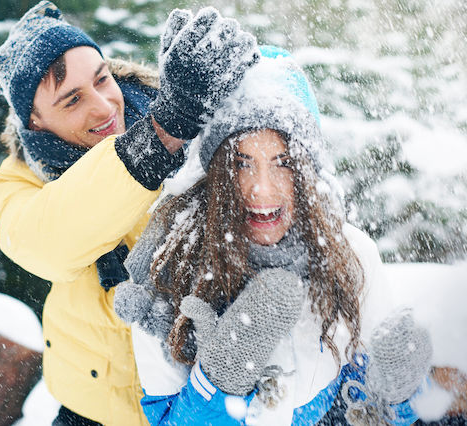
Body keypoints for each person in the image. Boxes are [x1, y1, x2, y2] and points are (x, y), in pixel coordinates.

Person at [114, 45, 433, 425]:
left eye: (283, 163)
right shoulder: (168, 273)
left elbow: (360, 402)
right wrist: (218, 384)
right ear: (211, 173)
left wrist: (397, 398)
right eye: (241, 163)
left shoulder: (350, 253)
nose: (262, 190)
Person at [0, 2, 259, 425]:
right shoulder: (19, 179)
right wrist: (162, 134)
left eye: (101, 79)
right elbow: (47, 243)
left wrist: (245, 87)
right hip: (93, 408)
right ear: (33, 121)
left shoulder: (181, 108)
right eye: (72, 100)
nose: (105, 106)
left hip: (200, 398)